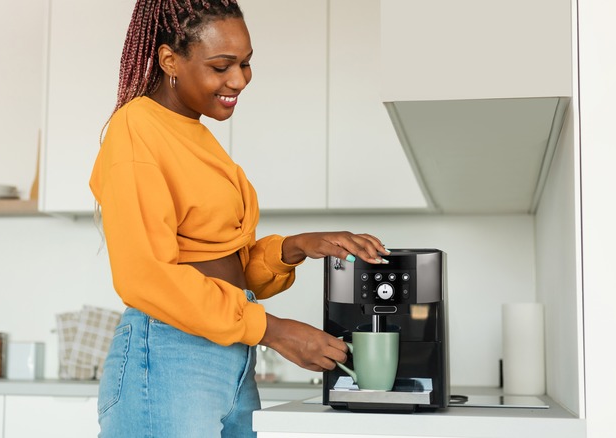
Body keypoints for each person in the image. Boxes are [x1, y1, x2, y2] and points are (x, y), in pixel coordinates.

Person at [89, 1, 390, 436]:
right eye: (221, 66)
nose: (238, 80)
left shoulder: (195, 134)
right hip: (170, 356)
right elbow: (146, 276)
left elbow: (228, 267)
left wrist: (295, 247)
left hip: (230, 354)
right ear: (170, 59)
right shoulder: (136, 129)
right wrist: (276, 331)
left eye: (246, 64)